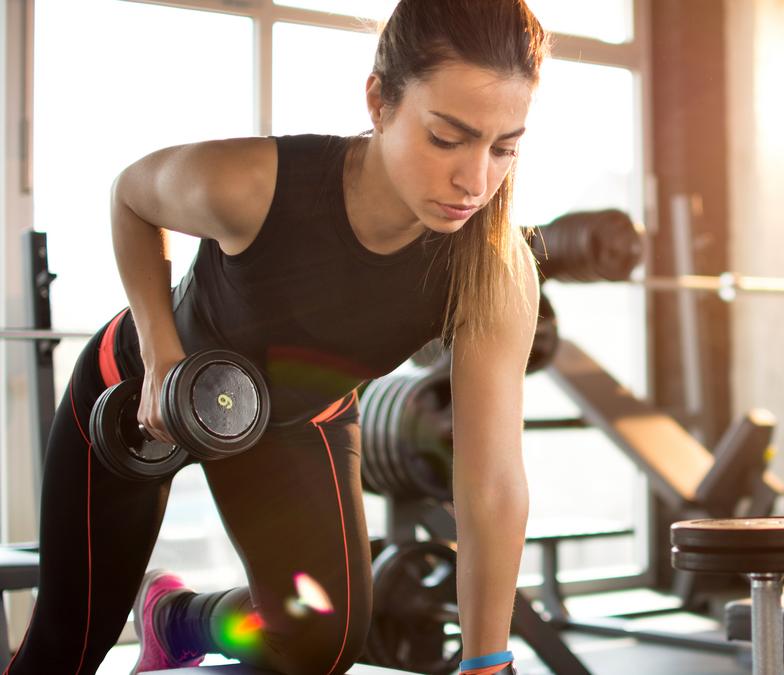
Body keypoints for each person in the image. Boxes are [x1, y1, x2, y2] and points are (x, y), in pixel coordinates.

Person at [3, 0, 547, 673]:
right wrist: (162, 356)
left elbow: (490, 477)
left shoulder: (493, 266)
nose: (476, 180)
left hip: (289, 419)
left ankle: (177, 620)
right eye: (446, 138)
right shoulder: (255, 184)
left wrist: (486, 657)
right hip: (143, 393)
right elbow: (131, 196)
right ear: (379, 101)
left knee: (320, 646)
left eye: (504, 147)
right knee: (65, 647)